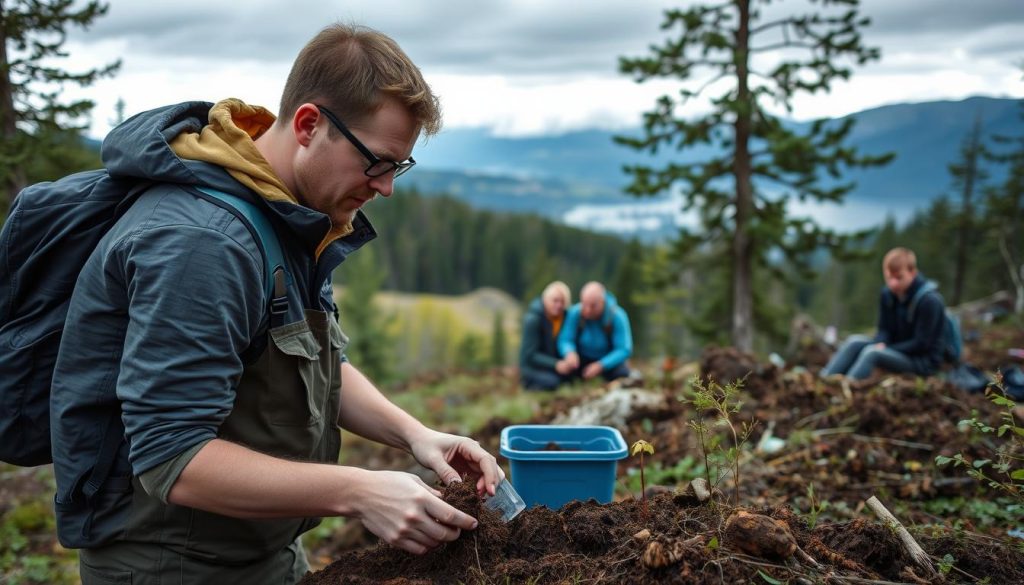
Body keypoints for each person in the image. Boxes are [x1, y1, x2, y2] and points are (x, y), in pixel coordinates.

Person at [48, 24, 502, 584]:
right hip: (175, 566)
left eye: (398, 167)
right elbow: (175, 459)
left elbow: (308, 360)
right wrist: (360, 491)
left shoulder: (288, 209)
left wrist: (415, 436)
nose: (385, 188)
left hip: (262, 551)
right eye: (378, 161)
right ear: (310, 125)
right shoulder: (203, 242)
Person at [820, 247, 948, 381]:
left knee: (872, 353)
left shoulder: (930, 301)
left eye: (899, 278)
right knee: (854, 342)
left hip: (921, 362)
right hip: (894, 349)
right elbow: (884, 329)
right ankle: (823, 381)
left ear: (913, 272)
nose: (893, 283)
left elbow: (921, 344)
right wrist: (882, 342)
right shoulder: (887, 294)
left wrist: (887, 348)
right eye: (889, 277)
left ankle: (847, 387)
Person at [557, 281, 635, 382]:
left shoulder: (617, 316)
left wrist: (601, 365)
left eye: (593, 306)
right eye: (584, 305)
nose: (588, 310)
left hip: (607, 360)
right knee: (562, 371)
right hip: (581, 359)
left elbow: (624, 349)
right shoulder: (575, 313)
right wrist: (569, 352)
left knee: (622, 373)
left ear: (603, 302)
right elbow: (565, 339)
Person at [519, 281, 572, 391]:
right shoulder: (533, 320)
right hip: (532, 368)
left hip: (551, 366)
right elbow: (530, 355)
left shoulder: (565, 318)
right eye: (555, 301)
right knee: (552, 382)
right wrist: (555, 364)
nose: (559, 305)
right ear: (545, 300)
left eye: (562, 302)